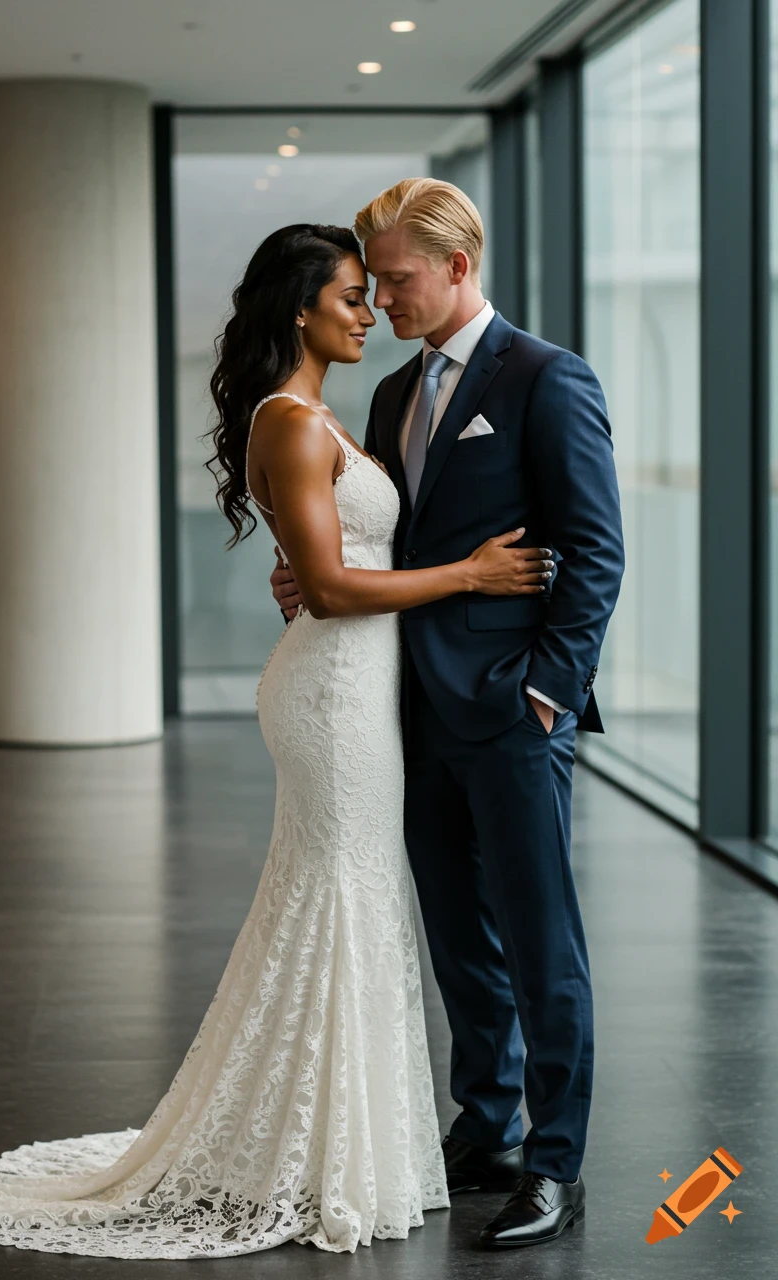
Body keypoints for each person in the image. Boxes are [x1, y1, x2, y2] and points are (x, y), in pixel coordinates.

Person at [0, 222, 551, 1260]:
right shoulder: (291, 423)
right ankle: (327, 1148)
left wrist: (328, 573)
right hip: (333, 698)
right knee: (341, 893)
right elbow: (336, 589)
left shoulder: (323, 415)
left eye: (371, 292)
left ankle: (343, 1137)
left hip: (357, 687)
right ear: (299, 308)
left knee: (351, 897)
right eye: (347, 295)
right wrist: (468, 577)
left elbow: (326, 565)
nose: (367, 311)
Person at [272, 180, 625, 1249]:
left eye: (397, 277)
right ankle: (487, 1125)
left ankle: (554, 1163)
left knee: (538, 941)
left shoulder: (545, 378)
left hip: (513, 710)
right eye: (370, 279)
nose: (380, 297)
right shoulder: (387, 394)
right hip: (406, 712)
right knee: (458, 940)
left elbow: (593, 552)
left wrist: (546, 690)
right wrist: (312, 579)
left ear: (458, 267)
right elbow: (387, 539)